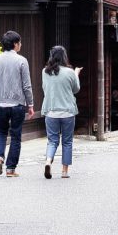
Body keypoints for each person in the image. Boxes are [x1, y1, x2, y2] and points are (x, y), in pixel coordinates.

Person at [0, 30, 34, 177]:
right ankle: (11, 169)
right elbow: (27, 86)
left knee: (1, 132)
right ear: (15, 44)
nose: (21, 45)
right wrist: (30, 104)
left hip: (1, 104)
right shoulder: (22, 61)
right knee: (16, 135)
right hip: (17, 104)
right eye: (20, 43)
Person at [40, 45, 80, 179]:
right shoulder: (69, 72)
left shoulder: (45, 72)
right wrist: (76, 74)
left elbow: (45, 88)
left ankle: (48, 162)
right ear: (64, 57)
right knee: (67, 142)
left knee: (52, 141)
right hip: (67, 111)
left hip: (51, 111)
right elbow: (76, 89)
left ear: (51, 56)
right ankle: (64, 171)